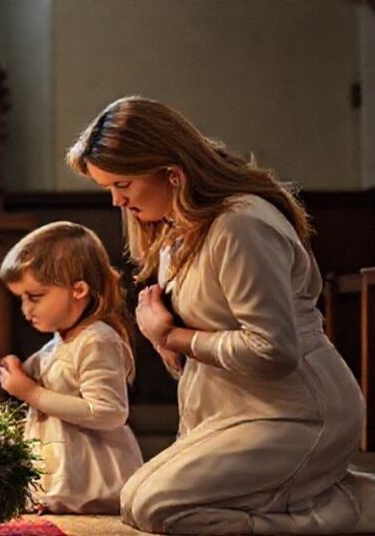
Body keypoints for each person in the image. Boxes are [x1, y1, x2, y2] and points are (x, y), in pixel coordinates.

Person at [67, 95, 375, 534]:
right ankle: (333, 496)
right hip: (237, 408)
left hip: (299, 410)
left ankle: (353, 511)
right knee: (135, 502)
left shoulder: (240, 224)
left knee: (158, 508)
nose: (117, 202)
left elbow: (274, 351)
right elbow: (205, 345)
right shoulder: (179, 232)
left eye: (123, 185)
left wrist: (171, 336)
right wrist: (162, 337)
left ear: (170, 172)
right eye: (109, 190)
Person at [0, 221, 143, 514]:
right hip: (61, 485)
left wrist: (31, 392)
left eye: (34, 297)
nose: (26, 310)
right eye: (22, 299)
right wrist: (18, 370)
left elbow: (110, 412)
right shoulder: (58, 342)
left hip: (93, 485)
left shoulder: (97, 340)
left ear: (78, 290)